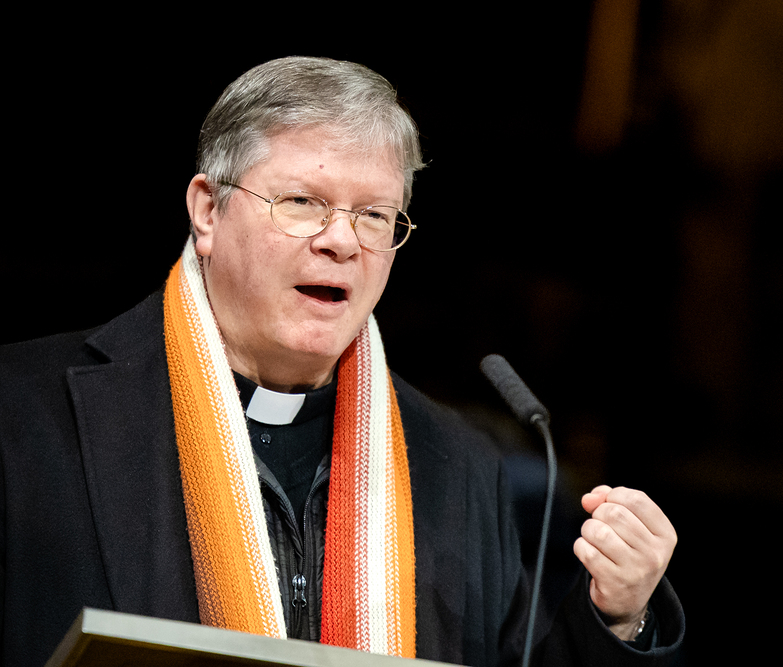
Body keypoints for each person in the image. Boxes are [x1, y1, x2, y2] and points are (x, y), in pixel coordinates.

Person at [0, 57, 684, 666]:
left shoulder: (457, 465)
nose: (342, 241)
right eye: (303, 202)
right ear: (208, 210)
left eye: (375, 216)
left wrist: (620, 619)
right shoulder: (22, 413)